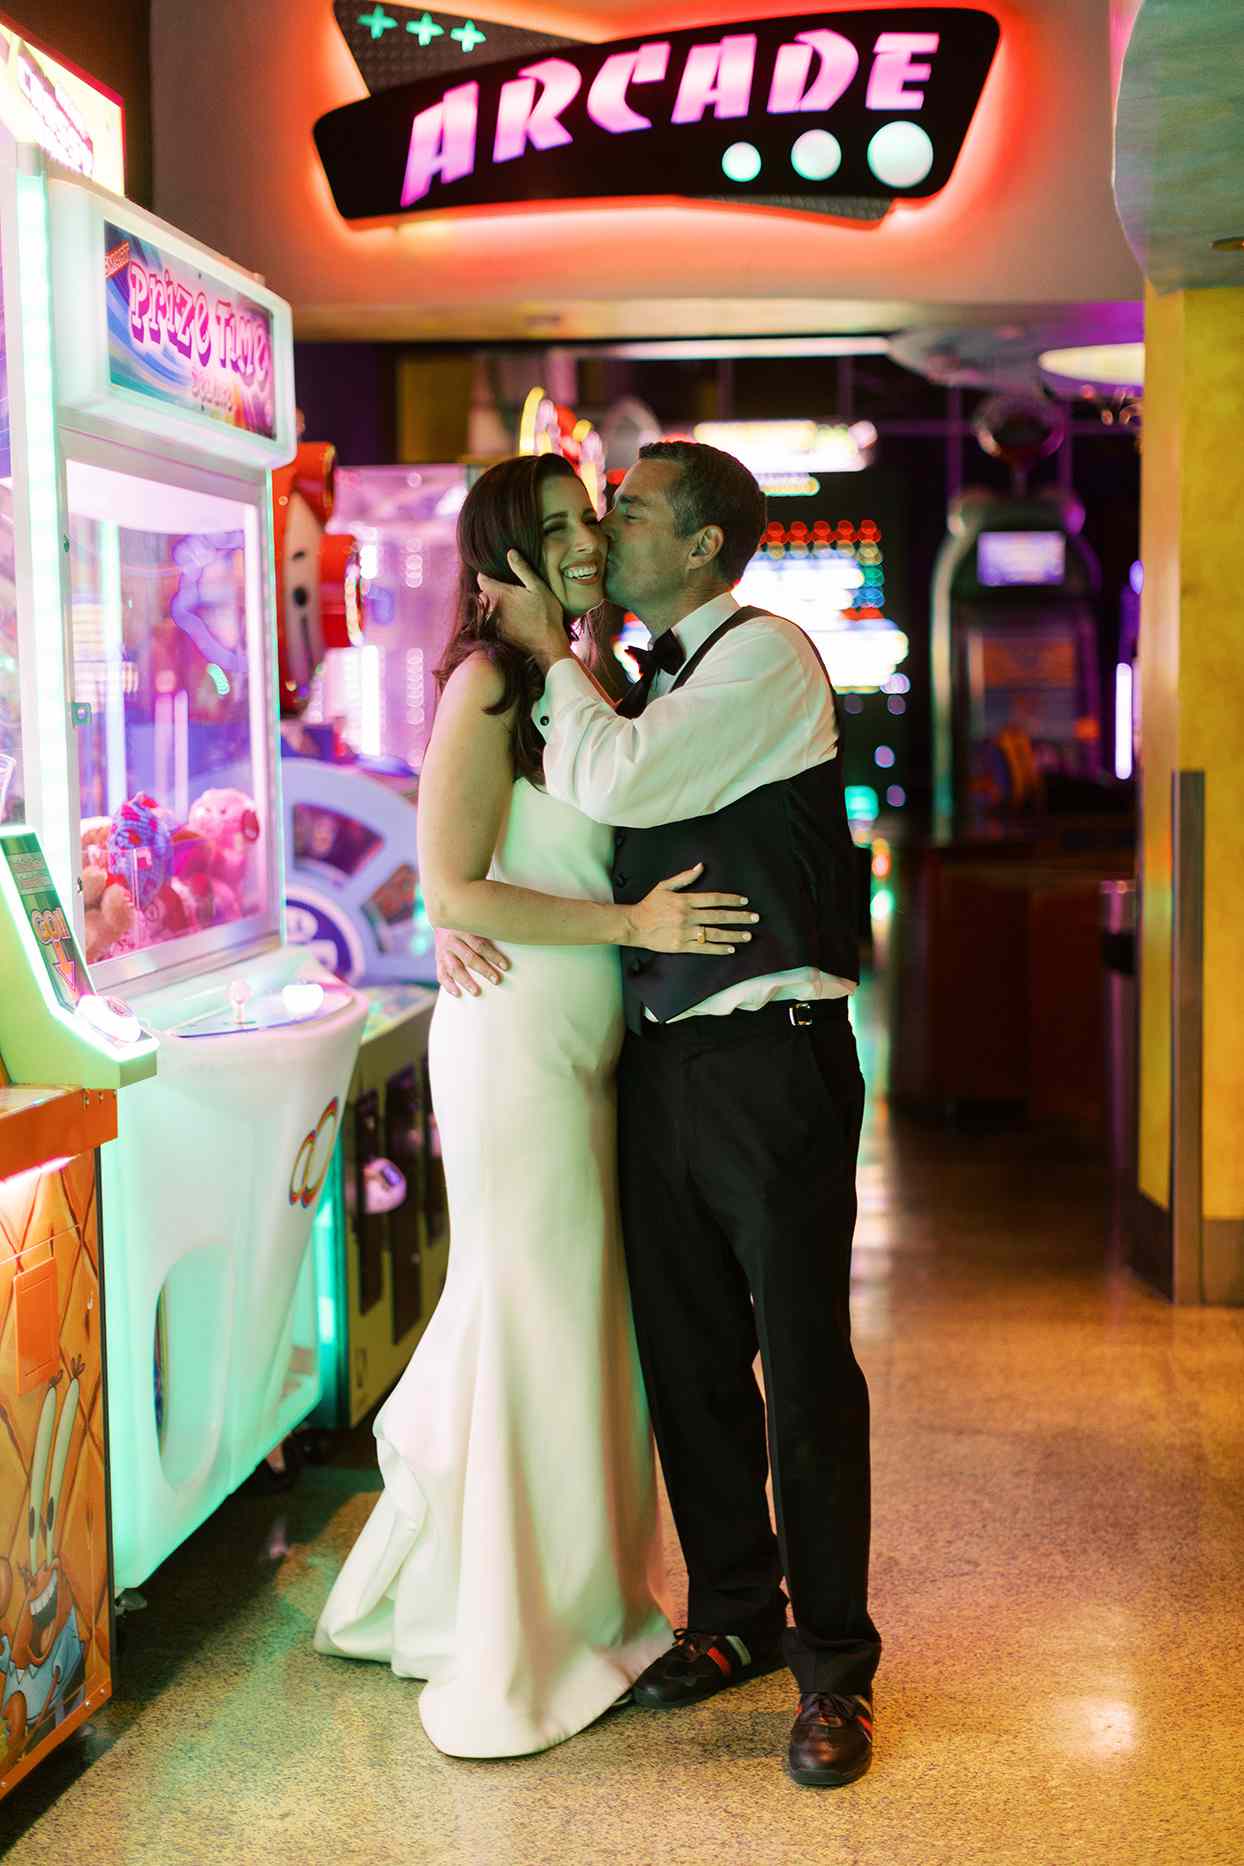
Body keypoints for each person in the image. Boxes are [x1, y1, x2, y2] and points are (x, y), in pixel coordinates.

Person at [314, 453, 758, 1760]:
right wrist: (630, 921)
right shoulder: (485, 682)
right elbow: (450, 890)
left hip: (586, 1048)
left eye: (589, 520)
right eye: (558, 525)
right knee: (536, 1309)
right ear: (504, 549)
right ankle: (520, 1634)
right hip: (511, 1046)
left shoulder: (586, 683)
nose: (583, 541)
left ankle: (537, 1593)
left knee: (569, 1315)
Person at [451, 440, 880, 1789]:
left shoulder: (766, 658)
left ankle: (834, 1668)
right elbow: (518, 836)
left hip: (776, 1061)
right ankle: (736, 1618)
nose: (604, 535)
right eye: (590, 517)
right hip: (656, 1067)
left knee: (801, 1366)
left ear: (700, 546)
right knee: (688, 1364)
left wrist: (547, 644)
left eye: (626, 514)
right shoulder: (626, 680)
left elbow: (623, 786)